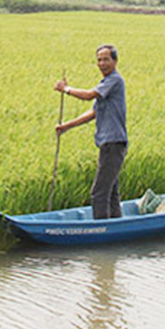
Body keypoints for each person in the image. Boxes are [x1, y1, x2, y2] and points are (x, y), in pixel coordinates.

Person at [55, 44, 127, 219]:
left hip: (113, 143)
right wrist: (67, 126)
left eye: (106, 59)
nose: (102, 63)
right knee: (110, 191)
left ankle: (102, 229)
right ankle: (116, 224)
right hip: (108, 144)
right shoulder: (105, 84)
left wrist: (66, 89)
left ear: (115, 61)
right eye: (99, 60)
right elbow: (93, 113)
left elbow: (89, 95)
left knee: (99, 192)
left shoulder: (114, 80)